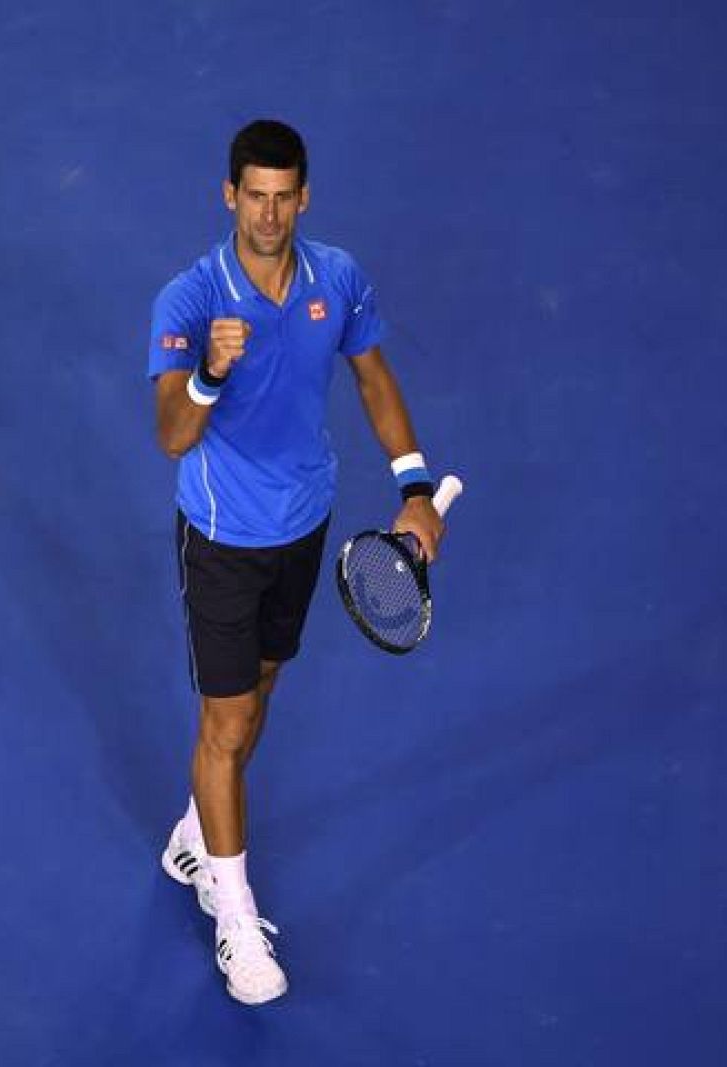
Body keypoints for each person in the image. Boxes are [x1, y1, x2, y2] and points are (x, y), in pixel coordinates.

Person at [147, 119, 444, 1006]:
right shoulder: (190, 300)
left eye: (285, 198)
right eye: (255, 197)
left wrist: (416, 485)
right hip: (222, 534)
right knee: (227, 726)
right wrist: (207, 373)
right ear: (228, 196)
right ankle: (234, 913)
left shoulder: (337, 278)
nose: (269, 214)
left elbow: (373, 376)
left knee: (263, 687)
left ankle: (198, 831)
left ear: (302, 198)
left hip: (304, 522)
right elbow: (170, 436)